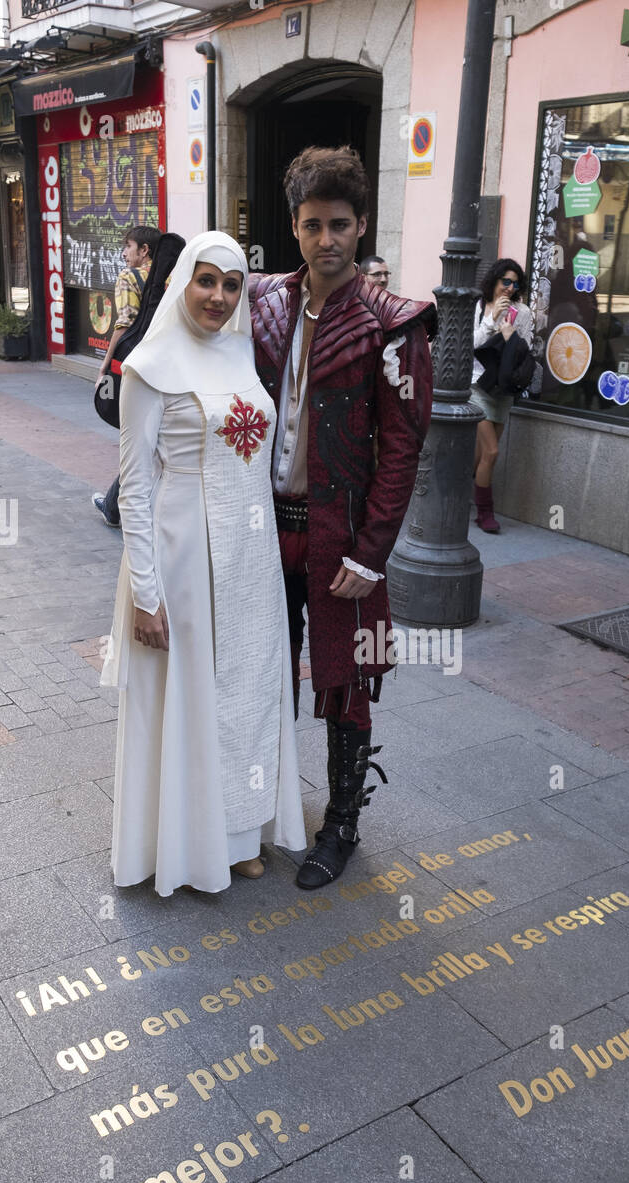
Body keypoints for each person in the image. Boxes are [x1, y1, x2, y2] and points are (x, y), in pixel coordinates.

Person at [249, 146, 435, 890]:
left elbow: (403, 449)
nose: (326, 238)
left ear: (361, 227)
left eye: (340, 224)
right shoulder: (259, 301)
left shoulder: (395, 323)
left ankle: (343, 826)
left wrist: (372, 553)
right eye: (312, 224)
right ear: (294, 227)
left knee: (348, 682)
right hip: (262, 530)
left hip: (342, 541)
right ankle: (255, 808)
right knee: (260, 674)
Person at [100, 231, 306, 897]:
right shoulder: (148, 366)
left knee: (245, 692)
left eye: (231, 284)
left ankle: (240, 835)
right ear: (182, 280)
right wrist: (147, 594)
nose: (218, 296)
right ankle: (189, 847)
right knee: (190, 700)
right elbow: (133, 489)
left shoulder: (243, 352)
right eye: (206, 280)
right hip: (184, 560)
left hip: (251, 558)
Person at [92, 225, 162, 529]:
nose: (124, 252)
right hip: (169, 366)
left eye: (128, 246)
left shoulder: (128, 278)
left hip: (137, 368)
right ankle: (113, 504)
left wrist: (104, 366)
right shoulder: (173, 278)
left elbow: (123, 325)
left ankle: (118, 506)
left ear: (143, 250)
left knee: (137, 441)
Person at [471, 257, 533, 533]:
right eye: (505, 281)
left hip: (503, 389)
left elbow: (525, 352)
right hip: (476, 386)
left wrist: (510, 335)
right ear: (494, 281)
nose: (509, 288)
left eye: (515, 283)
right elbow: (470, 345)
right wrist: (491, 319)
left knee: (482, 455)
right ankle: (485, 513)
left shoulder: (523, 312)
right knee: (493, 452)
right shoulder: (479, 307)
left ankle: (460, 499)